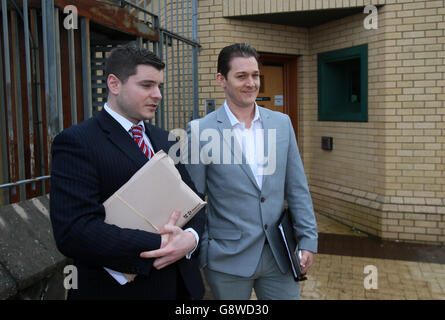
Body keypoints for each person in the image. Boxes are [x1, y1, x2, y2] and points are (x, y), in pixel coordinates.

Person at [50, 45, 205, 300]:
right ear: (114, 84)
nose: (157, 95)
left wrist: (190, 239)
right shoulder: (76, 141)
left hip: (182, 288)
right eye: (147, 85)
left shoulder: (165, 139)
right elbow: (74, 231)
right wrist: (163, 245)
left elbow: (195, 202)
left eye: (159, 86)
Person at [184, 43, 318, 300]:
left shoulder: (281, 124)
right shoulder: (200, 131)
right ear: (221, 80)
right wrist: (202, 253)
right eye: (241, 76)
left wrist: (308, 239)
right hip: (226, 259)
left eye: (255, 75)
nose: (251, 83)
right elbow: (194, 199)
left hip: (278, 255)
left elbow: (297, 187)